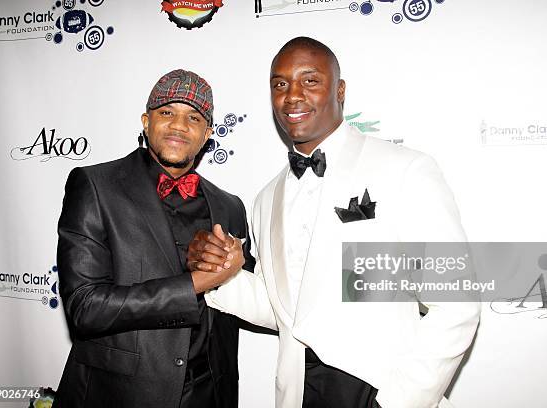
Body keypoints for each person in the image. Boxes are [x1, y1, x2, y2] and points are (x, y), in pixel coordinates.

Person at [188, 37, 481, 408]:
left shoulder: (405, 169)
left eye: (310, 80)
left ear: (339, 89)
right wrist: (223, 274)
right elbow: (285, 309)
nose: (292, 95)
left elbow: (457, 304)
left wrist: (398, 402)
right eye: (280, 85)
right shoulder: (266, 199)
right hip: (298, 396)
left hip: (380, 390)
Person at [53, 69, 252, 408]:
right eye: (166, 113)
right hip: (118, 394)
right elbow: (85, 307)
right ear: (146, 122)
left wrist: (239, 265)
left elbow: (249, 296)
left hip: (209, 393)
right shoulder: (96, 186)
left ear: (207, 135)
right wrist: (193, 284)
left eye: (193, 117)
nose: (179, 125)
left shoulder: (230, 206)